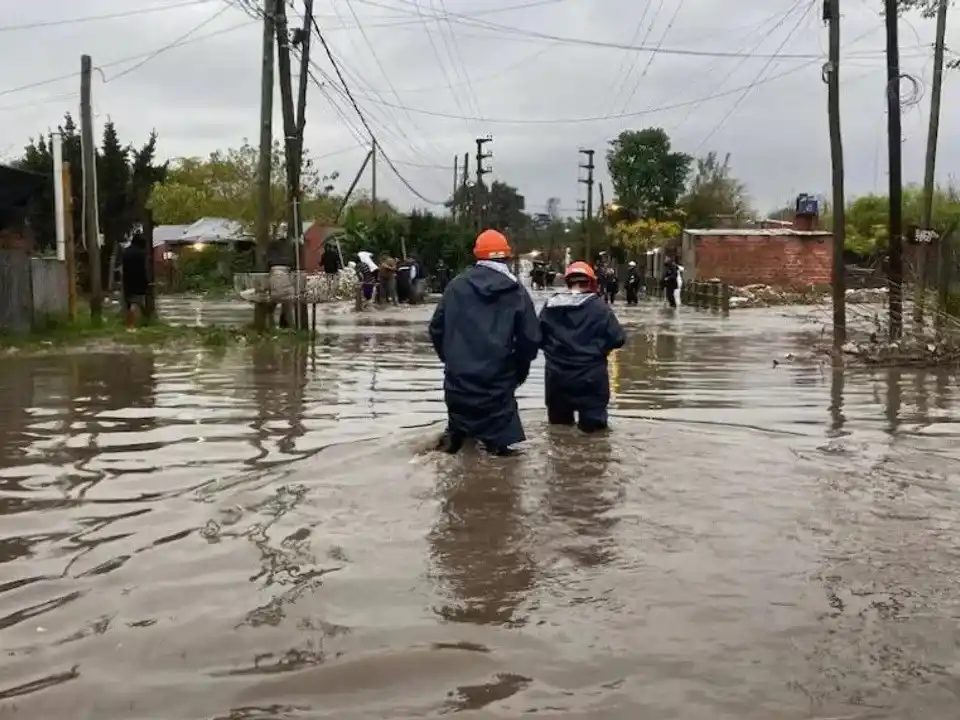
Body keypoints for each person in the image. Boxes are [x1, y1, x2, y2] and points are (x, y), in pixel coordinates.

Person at [429, 229, 540, 456]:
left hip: (458, 385)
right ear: (507, 257)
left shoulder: (456, 286)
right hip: (497, 387)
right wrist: (517, 373)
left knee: (456, 450)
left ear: (477, 256)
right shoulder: (516, 291)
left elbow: (436, 329)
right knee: (503, 459)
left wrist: (452, 361)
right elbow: (530, 340)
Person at [539, 261, 625, 432]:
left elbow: (536, 336)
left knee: (559, 431)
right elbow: (617, 338)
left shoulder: (550, 306)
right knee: (595, 434)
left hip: (557, 377)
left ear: (567, 282)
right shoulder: (600, 308)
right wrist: (599, 350)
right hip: (591, 377)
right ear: (592, 282)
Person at [121, 231, 149, 328]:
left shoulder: (126, 252)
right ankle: (134, 324)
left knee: (130, 303)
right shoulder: (141, 254)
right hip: (139, 282)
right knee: (137, 303)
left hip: (127, 282)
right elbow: (143, 269)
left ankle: (132, 323)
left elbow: (124, 269)